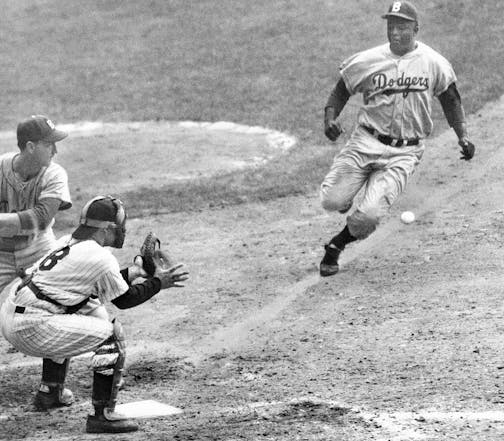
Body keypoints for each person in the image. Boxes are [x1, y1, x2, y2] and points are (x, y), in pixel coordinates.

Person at [0, 195, 189, 434]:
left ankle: (51, 391)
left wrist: (137, 271)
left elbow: (100, 286)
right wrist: (158, 283)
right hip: (31, 325)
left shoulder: (67, 241)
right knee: (111, 334)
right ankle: (103, 415)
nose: (122, 230)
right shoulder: (101, 257)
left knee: (85, 306)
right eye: (119, 226)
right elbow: (125, 299)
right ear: (108, 229)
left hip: (14, 313)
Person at [319, 1, 475, 277]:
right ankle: (346, 195)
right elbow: (342, 89)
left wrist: (462, 136)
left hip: (405, 151)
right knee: (331, 201)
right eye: (392, 26)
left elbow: (451, 99)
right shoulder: (368, 59)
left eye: (402, 26)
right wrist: (330, 118)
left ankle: (336, 245)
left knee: (368, 216)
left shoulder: (433, 62)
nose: (396, 32)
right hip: (365, 142)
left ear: (416, 28)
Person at [0, 115, 71, 296]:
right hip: (2, 256)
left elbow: (42, 218)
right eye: (48, 145)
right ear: (31, 147)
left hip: (39, 249)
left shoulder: (55, 174)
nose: (55, 151)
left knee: (63, 297)